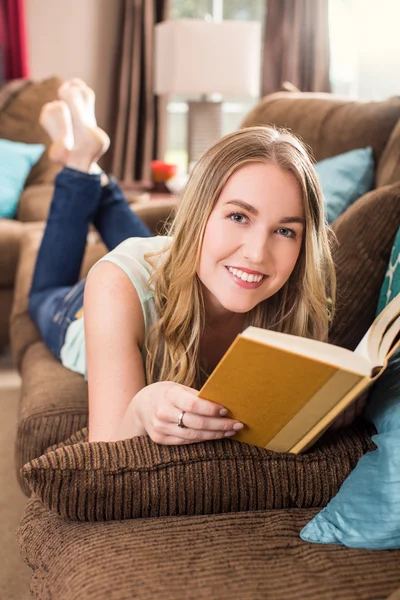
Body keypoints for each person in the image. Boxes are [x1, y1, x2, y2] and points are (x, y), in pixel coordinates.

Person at [30, 79, 362, 448]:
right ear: (198, 215)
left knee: (154, 249)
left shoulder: (296, 293)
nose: (256, 253)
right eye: (238, 216)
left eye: (285, 231)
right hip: (79, 311)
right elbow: (103, 454)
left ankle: (82, 159)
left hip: (183, 263)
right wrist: (141, 408)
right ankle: (79, 165)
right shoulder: (114, 284)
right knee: (42, 294)